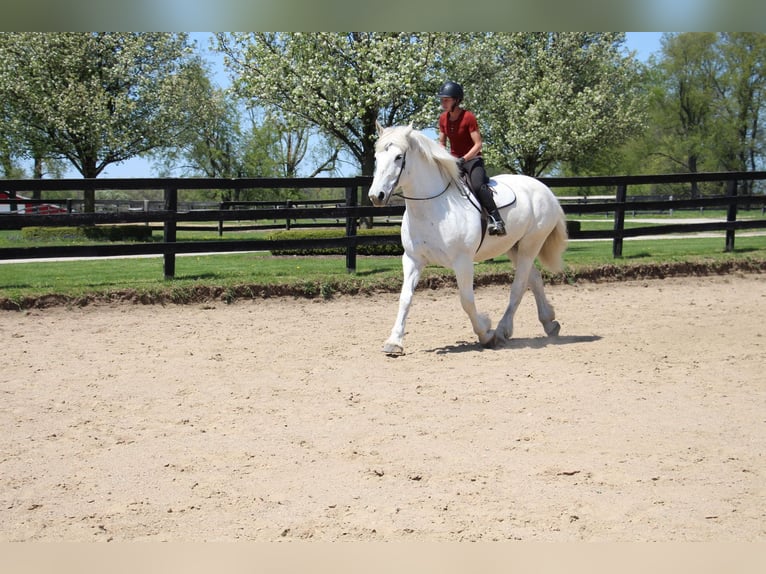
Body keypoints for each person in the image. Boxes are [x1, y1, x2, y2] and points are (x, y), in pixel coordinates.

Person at [437, 80, 506, 235]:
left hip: (473, 160)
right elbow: (442, 142)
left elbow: (478, 144)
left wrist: (463, 159)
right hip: (454, 162)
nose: (443, 103)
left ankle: (497, 220)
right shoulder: (442, 118)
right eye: (442, 100)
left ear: (456, 100)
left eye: (446, 100)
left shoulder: (468, 117)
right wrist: (444, 158)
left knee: (477, 185)